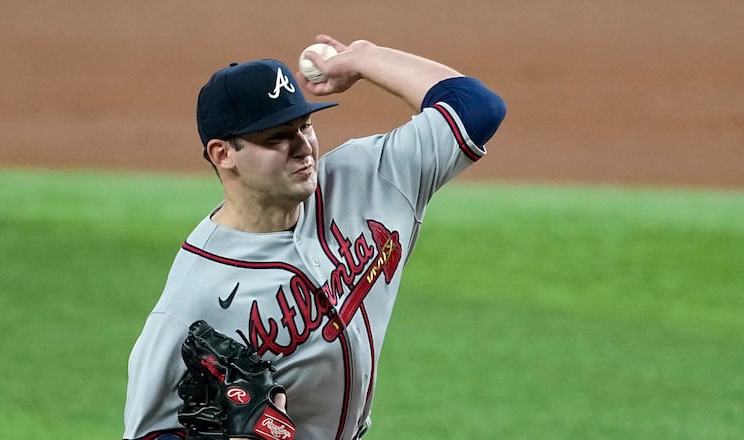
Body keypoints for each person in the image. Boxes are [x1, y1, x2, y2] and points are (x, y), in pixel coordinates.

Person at [122, 34, 506, 440]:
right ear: (223, 153)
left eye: (305, 125)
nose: (304, 147)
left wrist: (364, 59)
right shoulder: (190, 303)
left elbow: (477, 107)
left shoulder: (366, 179)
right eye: (277, 137)